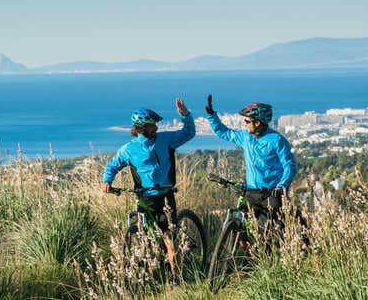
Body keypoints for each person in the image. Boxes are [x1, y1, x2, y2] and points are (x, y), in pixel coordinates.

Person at [102, 98, 195, 279]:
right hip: (144, 197)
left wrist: (185, 115)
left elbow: (188, 132)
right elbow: (113, 165)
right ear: (142, 128)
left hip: (165, 194)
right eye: (153, 125)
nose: (156, 127)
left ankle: (176, 277)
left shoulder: (166, 139)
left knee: (169, 239)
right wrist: (107, 181)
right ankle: (146, 272)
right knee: (144, 233)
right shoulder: (129, 149)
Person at [204, 95, 296, 235]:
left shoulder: (277, 140)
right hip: (251, 192)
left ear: (257, 123)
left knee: (279, 231)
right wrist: (212, 116)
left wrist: (282, 185)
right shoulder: (246, 137)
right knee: (242, 229)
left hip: (272, 193)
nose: (245, 124)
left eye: (247, 121)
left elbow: (289, 165)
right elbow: (225, 133)